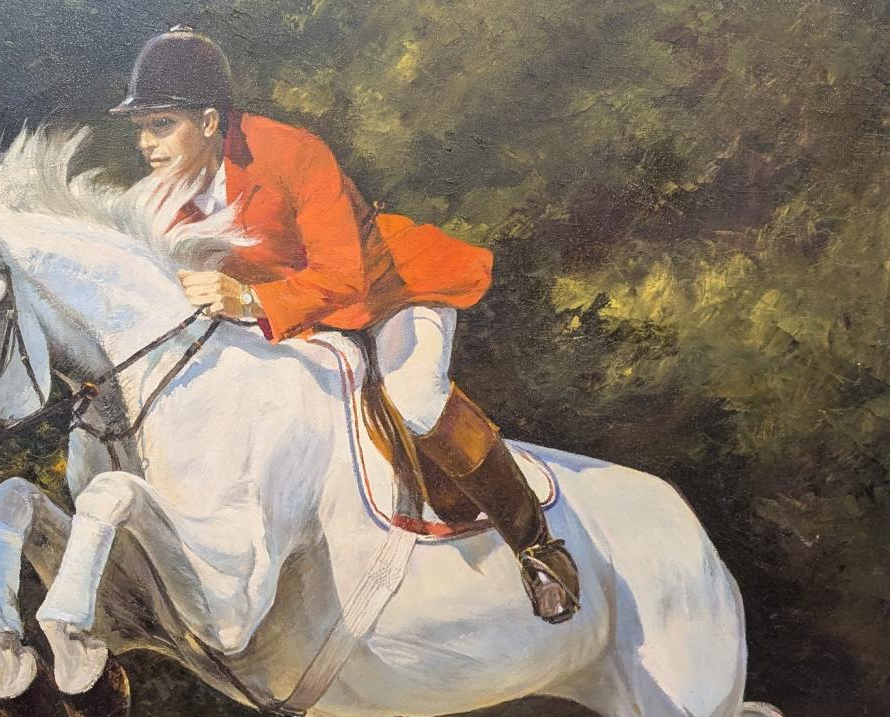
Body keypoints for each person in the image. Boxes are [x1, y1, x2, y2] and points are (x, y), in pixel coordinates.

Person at [110, 27, 579, 623]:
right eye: (141, 128)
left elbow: (343, 279)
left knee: (414, 398)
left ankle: (537, 546)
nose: (146, 145)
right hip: (294, 320)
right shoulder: (157, 200)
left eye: (160, 125)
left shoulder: (293, 153)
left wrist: (248, 300)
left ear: (208, 122)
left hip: (388, 290)